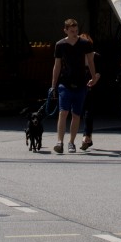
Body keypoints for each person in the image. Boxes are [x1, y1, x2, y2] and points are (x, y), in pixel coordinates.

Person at [50, 18, 98, 154]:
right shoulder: (60, 45)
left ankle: (71, 142)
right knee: (63, 112)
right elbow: (57, 65)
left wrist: (94, 77)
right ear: (65, 30)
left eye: (76, 31)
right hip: (64, 83)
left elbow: (90, 61)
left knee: (76, 115)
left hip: (81, 83)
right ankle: (59, 141)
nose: (75, 33)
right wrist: (53, 85)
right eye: (72, 31)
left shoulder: (85, 43)